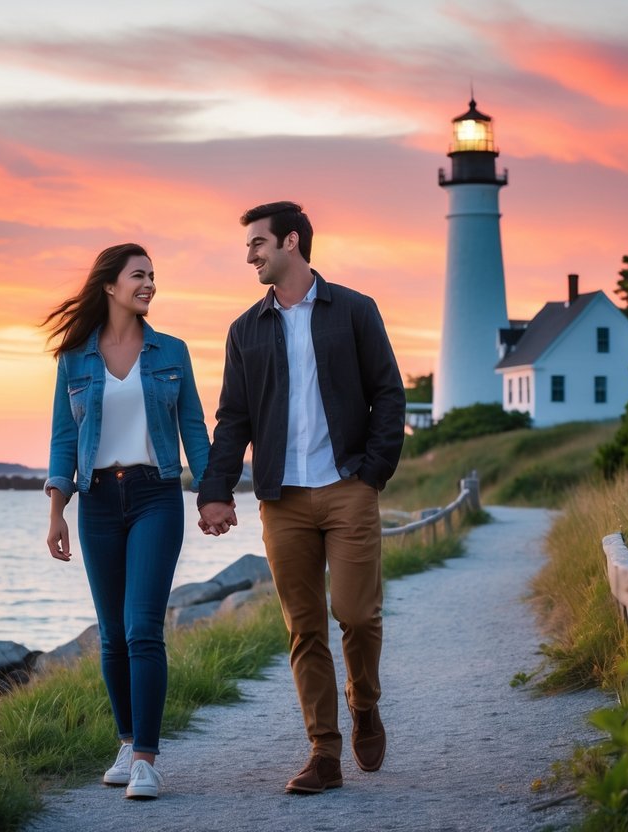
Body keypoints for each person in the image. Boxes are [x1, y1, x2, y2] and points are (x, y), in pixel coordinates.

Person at [197, 202, 405, 794]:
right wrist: (215, 491)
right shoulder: (245, 330)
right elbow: (233, 419)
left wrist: (372, 473)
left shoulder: (355, 311)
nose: (250, 255)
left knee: (359, 616)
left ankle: (364, 703)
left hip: (347, 488)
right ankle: (324, 752)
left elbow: (388, 394)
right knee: (304, 628)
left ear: (291, 242)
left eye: (258, 244)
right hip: (281, 499)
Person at [43, 242, 210, 800]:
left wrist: (212, 494)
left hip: (155, 495)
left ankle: (146, 759)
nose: (150, 285)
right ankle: (125, 740)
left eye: (153, 277)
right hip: (95, 503)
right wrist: (56, 512)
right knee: (111, 635)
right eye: (139, 275)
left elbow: (194, 430)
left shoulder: (172, 352)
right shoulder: (75, 358)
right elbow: (63, 441)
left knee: (142, 626)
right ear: (110, 285)